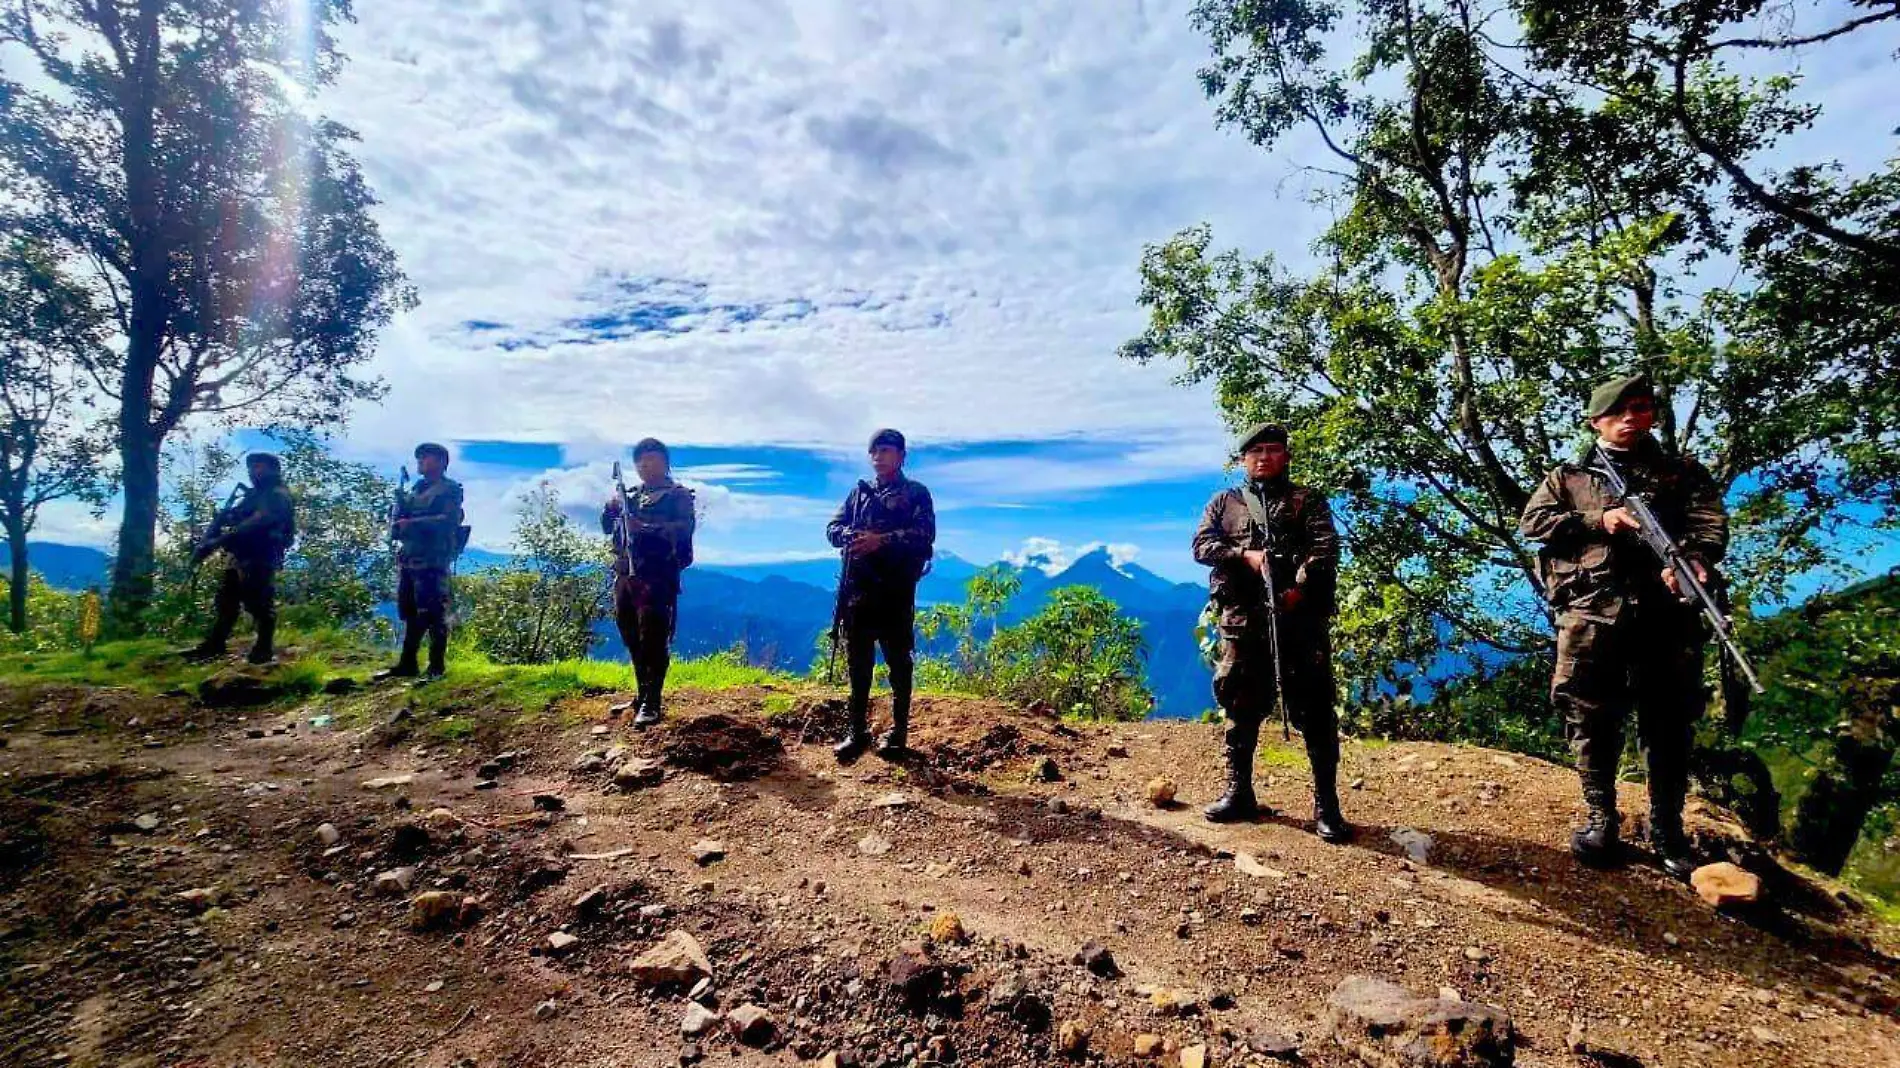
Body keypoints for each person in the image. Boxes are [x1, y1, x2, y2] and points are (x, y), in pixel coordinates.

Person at [1520, 374, 1728, 879]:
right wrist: (1600, 520)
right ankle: (1601, 817)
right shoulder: (1569, 477)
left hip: (1666, 619)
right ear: (1596, 422)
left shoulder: (1682, 474)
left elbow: (1710, 525)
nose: (1631, 420)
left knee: (1669, 723)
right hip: (1594, 616)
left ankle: (1667, 829)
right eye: (1619, 413)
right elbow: (1533, 523)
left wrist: (1696, 559)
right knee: (1590, 717)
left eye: (1640, 409)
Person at [1192, 423, 1350, 843]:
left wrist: (1298, 588)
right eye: (1256, 451)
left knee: (1315, 713)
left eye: (1273, 450)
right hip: (1244, 623)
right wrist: (1244, 556)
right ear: (1243, 459)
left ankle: (1326, 806)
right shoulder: (1224, 503)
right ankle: (1239, 792)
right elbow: (1201, 546)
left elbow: (1325, 549)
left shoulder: (1306, 501)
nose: (1264, 457)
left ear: (1286, 457)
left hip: (1299, 622)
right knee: (1240, 708)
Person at [827, 429, 936, 760]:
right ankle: (856, 732)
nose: (879, 456)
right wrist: (848, 534)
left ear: (902, 455)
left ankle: (898, 733)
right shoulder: (858, 494)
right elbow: (832, 528)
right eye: (875, 451)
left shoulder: (915, 493)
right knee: (858, 664)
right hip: (857, 592)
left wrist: (881, 540)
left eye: (887, 450)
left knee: (898, 664)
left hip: (895, 591)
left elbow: (924, 537)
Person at [602, 438, 696, 728]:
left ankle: (653, 702)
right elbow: (608, 529)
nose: (646, 466)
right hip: (626, 574)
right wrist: (610, 511)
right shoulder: (630, 495)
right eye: (641, 461)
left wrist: (645, 528)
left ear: (665, 462)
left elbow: (684, 528)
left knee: (654, 637)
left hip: (657, 575)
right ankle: (641, 693)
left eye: (652, 459)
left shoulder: (678, 495)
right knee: (630, 633)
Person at [183, 452, 297, 665]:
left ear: (273, 470)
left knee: (258, 602)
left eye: (259, 467)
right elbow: (236, 516)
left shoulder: (277, 494)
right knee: (227, 601)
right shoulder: (254, 495)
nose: (254, 472)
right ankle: (214, 645)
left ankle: (263, 649)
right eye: (252, 468)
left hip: (261, 553)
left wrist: (220, 540)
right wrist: (222, 523)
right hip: (242, 553)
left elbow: (260, 519)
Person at [377, 443, 467, 682]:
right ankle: (407, 663)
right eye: (419, 458)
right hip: (410, 556)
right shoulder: (417, 489)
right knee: (410, 611)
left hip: (432, 558)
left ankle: (436, 667)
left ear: (439, 462)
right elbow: (403, 519)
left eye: (425, 458)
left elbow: (448, 520)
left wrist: (412, 524)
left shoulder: (449, 489)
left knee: (434, 612)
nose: (420, 461)